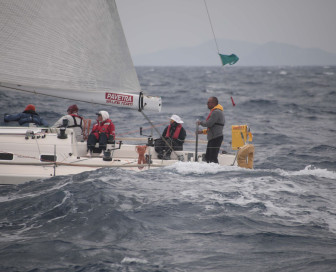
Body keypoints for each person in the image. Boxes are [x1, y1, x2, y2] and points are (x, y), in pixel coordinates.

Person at [197, 97, 225, 163]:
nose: (207, 104)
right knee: (208, 157)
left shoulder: (216, 112)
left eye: (209, 102)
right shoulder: (216, 111)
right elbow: (213, 127)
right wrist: (202, 132)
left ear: (214, 103)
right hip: (213, 138)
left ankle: (216, 171)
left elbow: (209, 124)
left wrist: (200, 123)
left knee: (212, 158)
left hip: (216, 138)